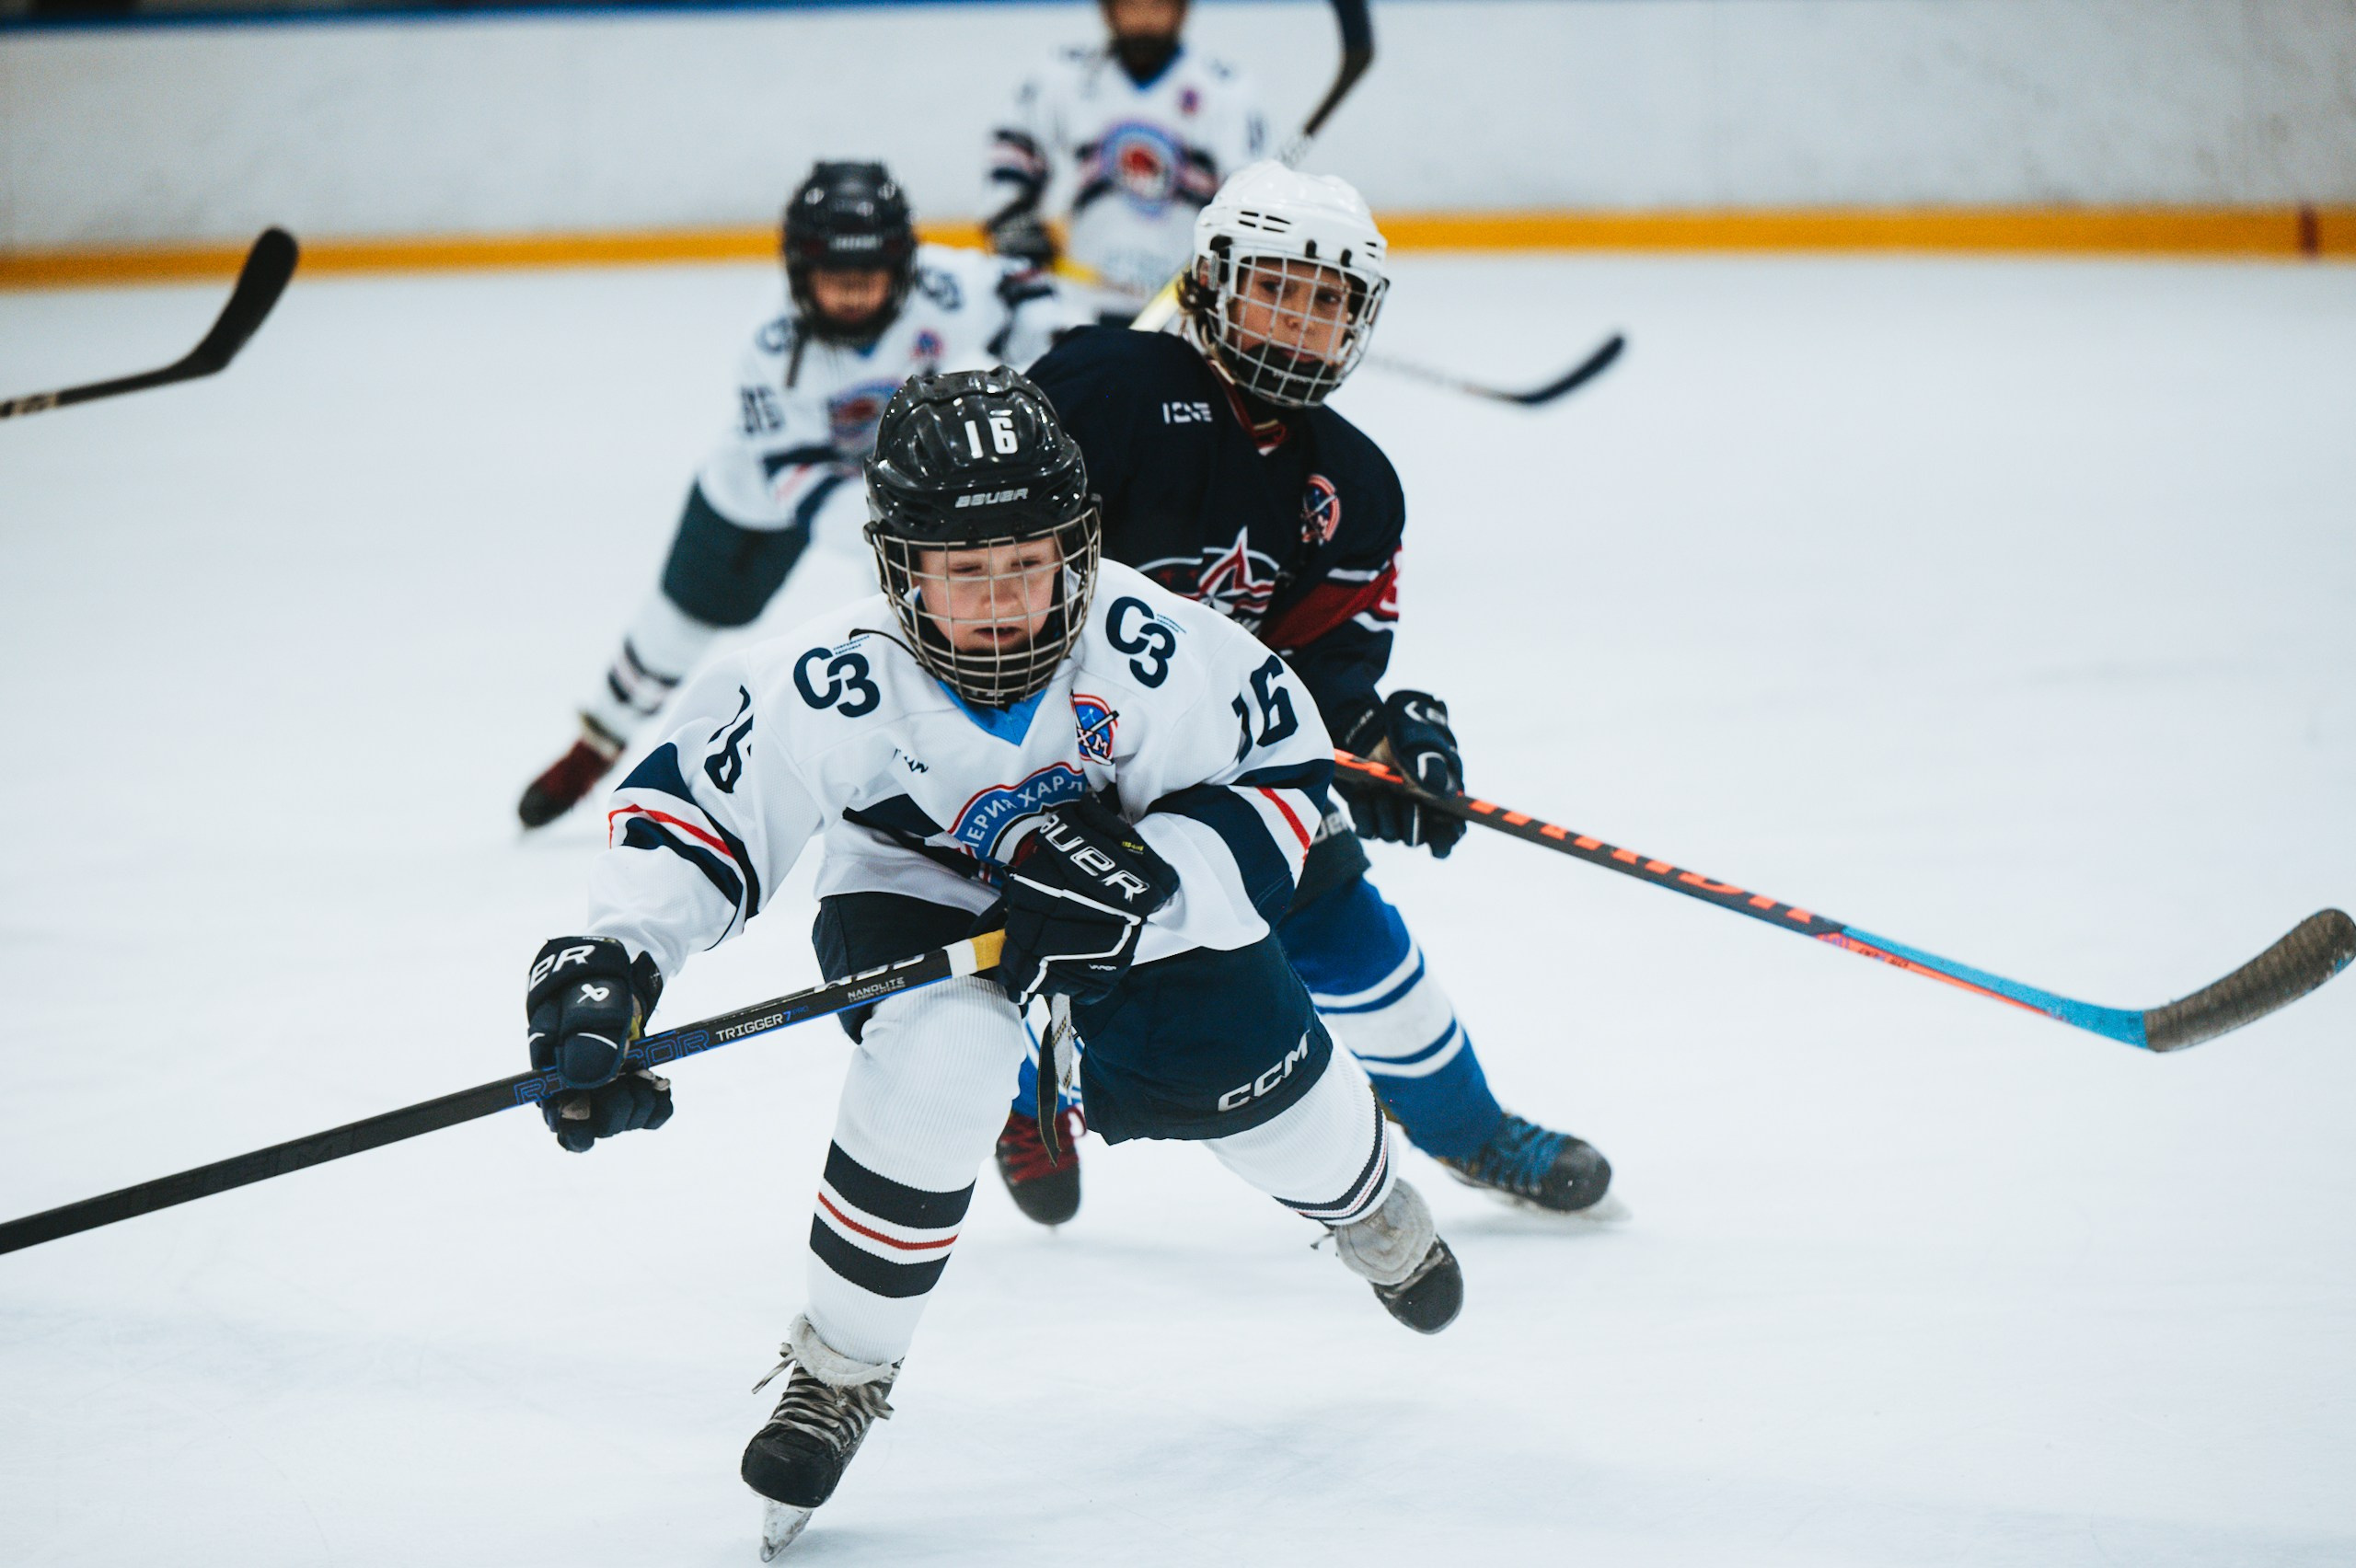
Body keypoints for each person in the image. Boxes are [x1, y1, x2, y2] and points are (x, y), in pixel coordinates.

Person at [523, 367, 1462, 1559]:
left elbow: (1287, 780)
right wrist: (610, 961)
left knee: (1266, 1087)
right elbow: (697, 815)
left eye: (1030, 565)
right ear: (897, 569)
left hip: (1148, 900)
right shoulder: (833, 677)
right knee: (947, 1052)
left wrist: (1160, 880)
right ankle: (842, 1365)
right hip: (927, 899)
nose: (1006, 604)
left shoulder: (1159, 646)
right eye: (965, 576)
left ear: (1080, 548)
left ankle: (1365, 1197)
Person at [1001, 161, 1617, 1224]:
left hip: (1217, 766)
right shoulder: (1105, 388)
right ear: (1209, 284)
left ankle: (1468, 1130)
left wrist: (1381, 739)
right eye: (1276, 288)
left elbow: (1315, 679)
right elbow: (984, 568)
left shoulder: (1357, 486)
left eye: (1327, 301)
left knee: (1346, 929)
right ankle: (1026, 1100)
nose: (1299, 322)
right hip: (1045, 757)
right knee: (1030, 971)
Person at [517, 160, 1082, 828]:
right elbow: (803, 483)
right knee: (677, 627)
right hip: (760, 496)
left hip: (906, 482)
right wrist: (906, 516)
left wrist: (1064, 348)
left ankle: (926, 749)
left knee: (919, 609)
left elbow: (1021, 288)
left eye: (866, 279)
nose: (850, 297)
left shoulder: (946, 286)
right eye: (833, 281)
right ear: (797, 274)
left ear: (901, 268)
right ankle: (601, 737)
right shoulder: (772, 343)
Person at [984, 0, 1265, 317]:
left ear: (1182, 10)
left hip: (1181, 316)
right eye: (1131, 6)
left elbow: (1248, 205)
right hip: (1085, 306)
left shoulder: (1224, 89)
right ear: (1107, 10)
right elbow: (1015, 144)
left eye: (1157, 6)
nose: (1143, 20)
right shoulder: (1066, 75)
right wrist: (1012, 217)